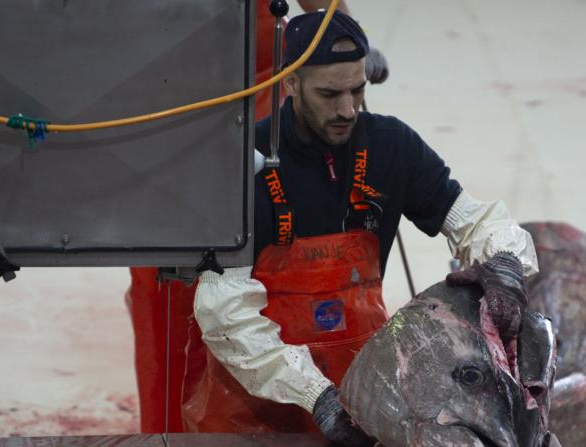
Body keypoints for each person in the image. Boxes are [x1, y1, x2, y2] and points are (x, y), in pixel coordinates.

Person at [180, 9, 540, 444]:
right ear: (290, 83)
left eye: (357, 90)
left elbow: (474, 219)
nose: (347, 109)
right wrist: (316, 396)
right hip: (250, 413)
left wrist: (503, 263)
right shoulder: (242, 164)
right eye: (329, 93)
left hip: (365, 399)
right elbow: (224, 314)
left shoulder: (392, 147)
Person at [125, 0, 390, 434]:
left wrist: (344, 36)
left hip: (260, 96)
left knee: (274, 289)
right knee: (167, 292)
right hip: (159, 109)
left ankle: (300, 420)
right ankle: (167, 435)